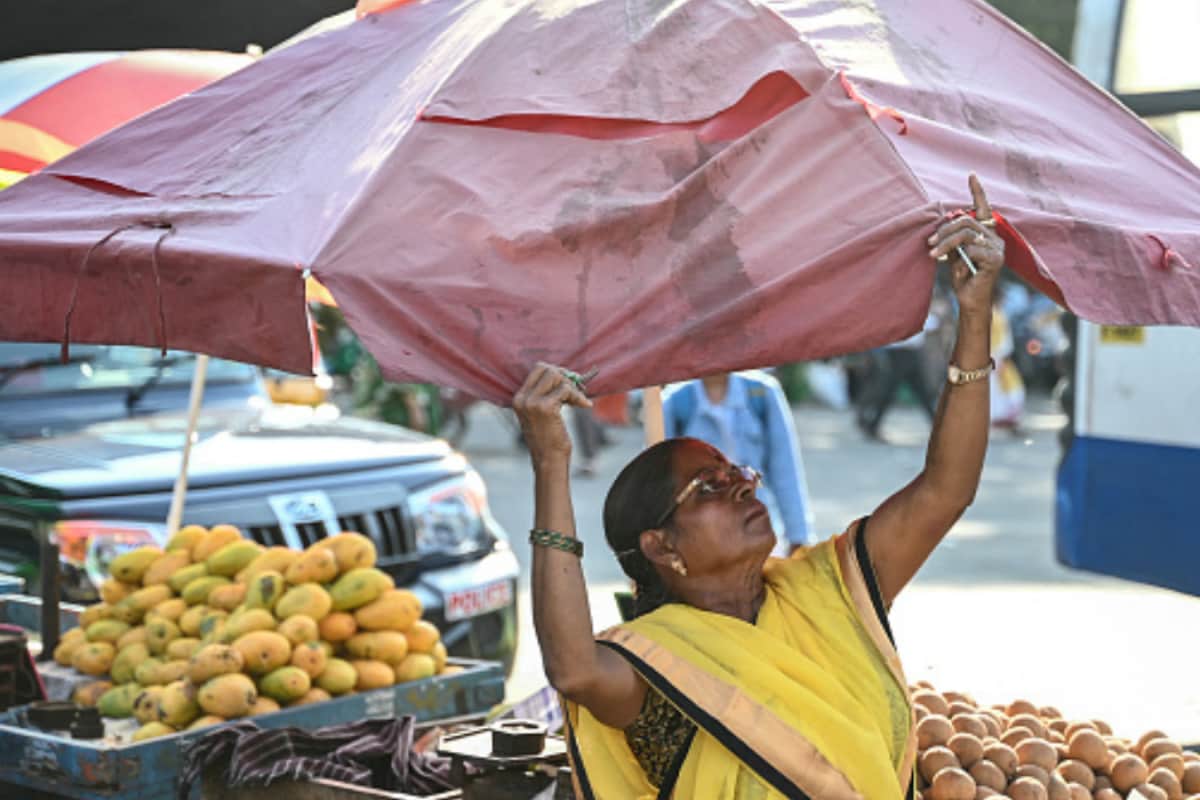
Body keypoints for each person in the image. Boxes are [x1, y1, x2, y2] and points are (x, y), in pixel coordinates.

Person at [513, 175, 1004, 798]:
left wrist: (974, 315)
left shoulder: (826, 591)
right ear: (663, 547)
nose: (744, 486)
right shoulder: (660, 666)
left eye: (739, 474)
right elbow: (575, 672)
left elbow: (946, 490)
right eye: (710, 488)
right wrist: (551, 463)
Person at [662, 371, 815, 552]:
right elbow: (660, 479)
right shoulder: (676, 401)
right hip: (701, 533)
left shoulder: (761, 393)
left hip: (756, 524)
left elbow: (785, 470)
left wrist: (798, 536)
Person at [855, 311, 941, 442]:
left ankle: (870, 424)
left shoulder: (907, 309)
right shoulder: (906, 310)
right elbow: (933, 323)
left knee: (920, 393)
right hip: (900, 354)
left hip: (907, 354)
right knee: (892, 392)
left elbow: (933, 323)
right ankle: (870, 424)